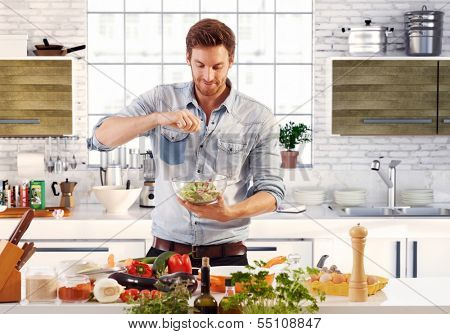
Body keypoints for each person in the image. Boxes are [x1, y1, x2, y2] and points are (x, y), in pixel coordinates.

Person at [88, 19, 285, 267]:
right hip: (164, 255)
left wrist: (229, 213)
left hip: (228, 256)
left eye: (218, 66)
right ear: (188, 58)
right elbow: (100, 139)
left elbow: (273, 192)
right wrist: (157, 118)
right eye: (200, 65)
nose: (208, 76)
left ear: (231, 60)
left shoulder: (258, 117)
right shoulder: (161, 99)